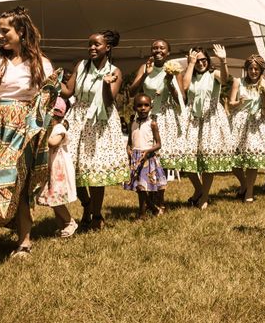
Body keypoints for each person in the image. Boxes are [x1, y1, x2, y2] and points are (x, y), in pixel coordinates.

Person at [0, 6, 60, 257]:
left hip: (25, 127)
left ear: (20, 31)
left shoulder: (41, 62)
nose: (0, 36)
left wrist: (45, 127)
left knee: (18, 179)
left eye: (5, 31)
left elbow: (48, 98)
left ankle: (24, 241)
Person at [64, 30, 128, 231]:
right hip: (77, 119)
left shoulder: (115, 71)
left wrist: (106, 85)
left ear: (107, 47)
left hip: (100, 122)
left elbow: (109, 100)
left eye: (96, 44)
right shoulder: (81, 66)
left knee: (94, 169)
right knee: (72, 167)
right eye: (90, 44)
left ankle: (97, 215)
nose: (92, 48)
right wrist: (53, 81)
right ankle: (86, 205)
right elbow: (68, 91)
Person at [128, 39, 186, 207]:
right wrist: (146, 73)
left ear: (168, 52)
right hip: (145, 117)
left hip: (165, 116)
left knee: (159, 160)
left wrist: (170, 83)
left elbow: (181, 99)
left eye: (162, 48)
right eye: (155, 48)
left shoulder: (175, 70)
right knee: (146, 158)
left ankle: (159, 201)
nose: (158, 50)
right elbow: (132, 92)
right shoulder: (144, 67)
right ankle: (149, 200)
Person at [181, 45, 235, 210]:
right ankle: (199, 189)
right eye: (197, 60)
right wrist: (190, 64)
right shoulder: (189, 74)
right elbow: (184, 87)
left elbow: (226, 80)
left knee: (207, 160)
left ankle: (204, 196)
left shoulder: (214, 74)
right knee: (187, 157)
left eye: (203, 60)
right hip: (192, 119)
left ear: (208, 60)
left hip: (211, 119)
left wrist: (223, 61)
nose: (201, 63)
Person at [228, 55, 265, 203]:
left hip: (256, 124)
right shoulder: (238, 82)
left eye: (256, 69)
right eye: (250, 68)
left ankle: (249, 191)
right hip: (238, 122)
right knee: (232, 160)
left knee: (252, 161)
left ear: (261, 70)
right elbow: (230, 103)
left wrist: (263, 99)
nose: (253, 71)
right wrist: (238, 103)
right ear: (246, 69)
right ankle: (243, 184)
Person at [37, 97, 79, 237]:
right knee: (53, 199)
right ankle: (61, 226)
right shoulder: (51, 127)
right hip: (50, 168)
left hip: (58, 169)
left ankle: (69, 222)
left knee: (55, 199)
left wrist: (42, 135)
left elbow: (53, 143)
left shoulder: (59, 128)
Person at [123, 93, 167, 218]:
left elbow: (159, 144)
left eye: (146, 105)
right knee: (139, 188)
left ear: (150, 107)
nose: (143, 108)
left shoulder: (152, 124)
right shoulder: (133, 123)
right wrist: (128, 149)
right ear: (134, 108)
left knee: (144, 188)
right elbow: (130, 142)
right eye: (139, 105)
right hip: (136, 158)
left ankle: (145, 212)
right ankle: (148, 210)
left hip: (148, 157)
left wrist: (148, 151)